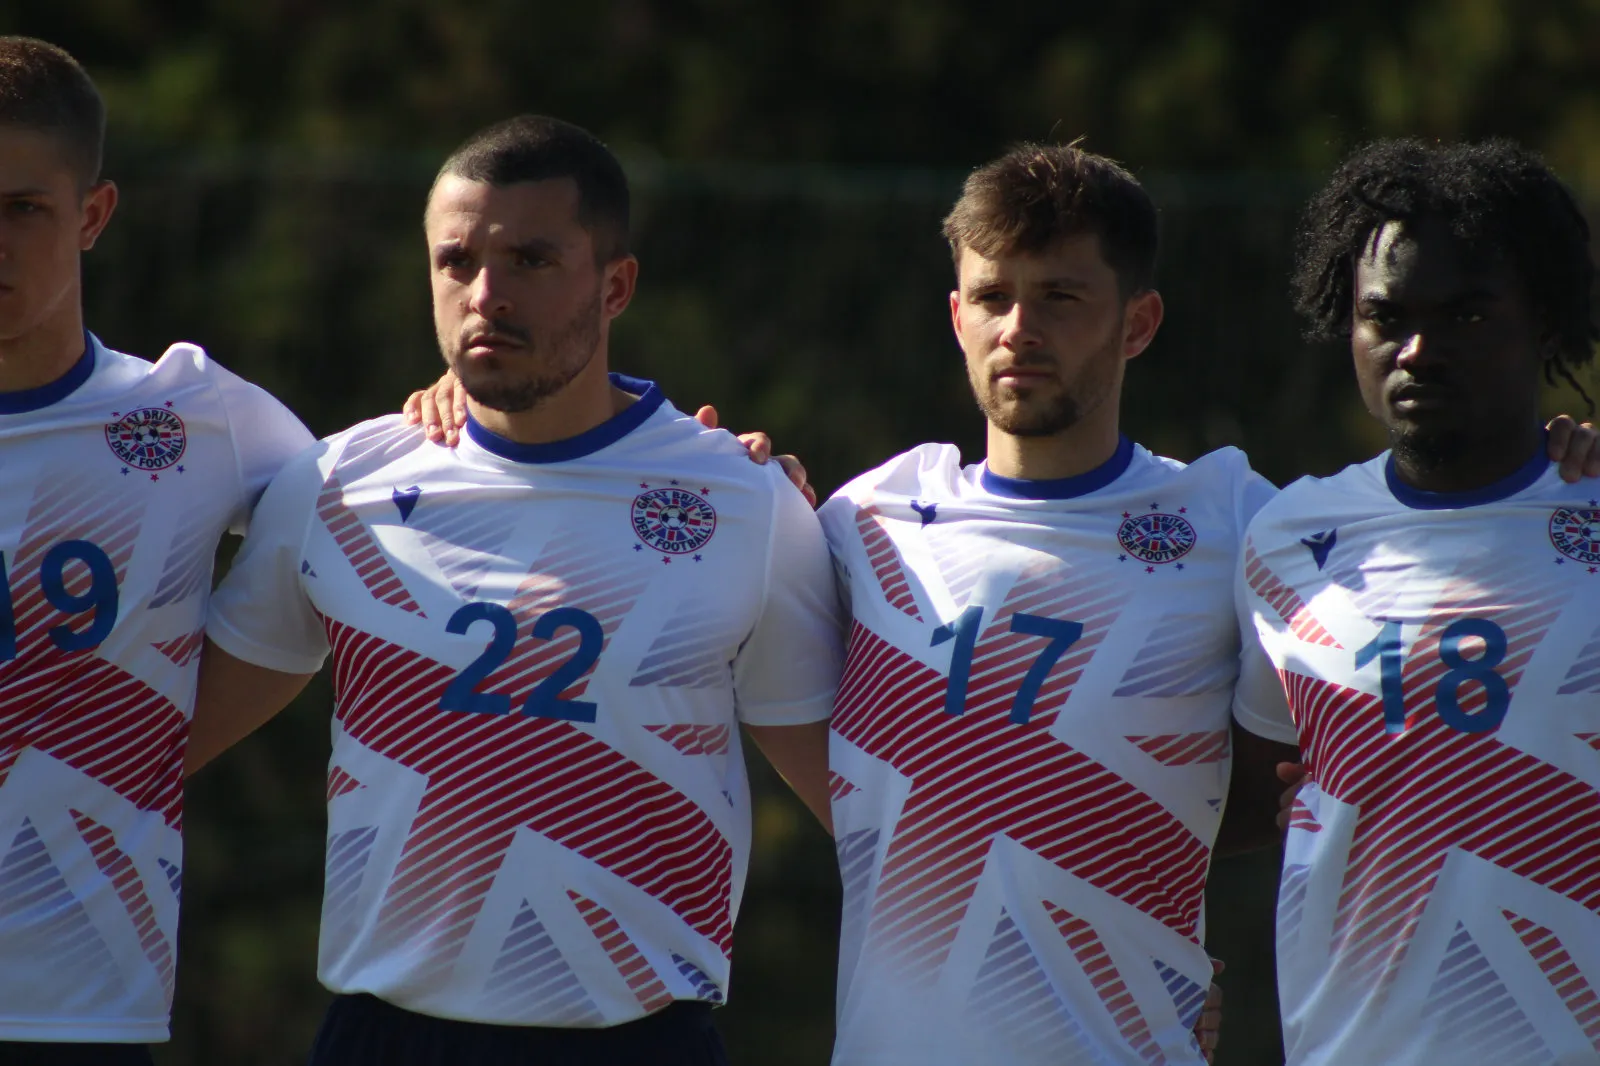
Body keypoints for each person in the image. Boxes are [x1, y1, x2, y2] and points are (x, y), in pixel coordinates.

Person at [184, 114, 845, 1066]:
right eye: (456, 262)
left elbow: (870, 809)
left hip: (638, 1042)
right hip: (387, 1038)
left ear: (615, 286)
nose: (486, 294)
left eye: (531, 260)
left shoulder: (745, 502)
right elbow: (148, 744)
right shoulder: (336, 487)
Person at [1233, 138, 1600, 1065]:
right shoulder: (1285, 537)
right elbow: (1250, 788)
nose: (1419, 350)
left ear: (1546, 322)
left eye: (1466, 314)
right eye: (1385, 317)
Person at [0, 37, 316, 1065]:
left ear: (92, 215)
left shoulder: (191, 417)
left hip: (78, 1008)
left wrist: (708, 454)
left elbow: (388, 525)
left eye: (23, 208)